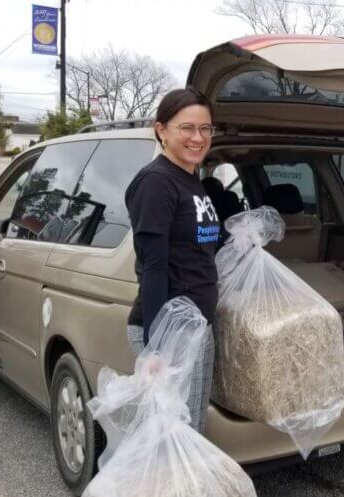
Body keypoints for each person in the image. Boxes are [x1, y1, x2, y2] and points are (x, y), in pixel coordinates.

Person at [125, 88, 221, 432]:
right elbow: (153, 266)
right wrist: (155, 348)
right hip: (170, 333)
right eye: (188, 128)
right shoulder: (156, 182)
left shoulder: (190, 180)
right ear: (162, 129)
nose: (198, 137)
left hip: (194, 328)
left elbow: (196, 251)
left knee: (190, 427)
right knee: (175, 434)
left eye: (206, 129)